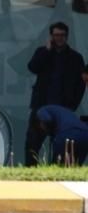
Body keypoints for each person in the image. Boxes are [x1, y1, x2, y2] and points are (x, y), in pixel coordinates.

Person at [25, 22, 86, 164]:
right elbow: (32, 67)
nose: (59, 38)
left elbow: (81, 84)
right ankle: (30, 170)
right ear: (51, 36)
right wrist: (46, 51)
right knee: (33, 142)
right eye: (56, 35)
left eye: (62, 35)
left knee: (60, 144)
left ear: (67, 36)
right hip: (41, 106)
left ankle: (55, 170)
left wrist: (73, 105)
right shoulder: (43, 52)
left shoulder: (75, 57)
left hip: (63, 108)